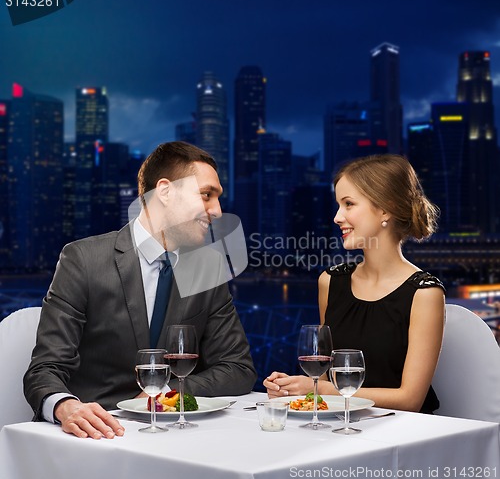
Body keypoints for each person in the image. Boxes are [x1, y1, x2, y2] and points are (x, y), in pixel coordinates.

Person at [24, 141, 257, 439]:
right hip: (96, 434)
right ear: (165, 191)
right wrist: (66, 407)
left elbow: (238, 368)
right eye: (206, 195)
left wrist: (166, 394)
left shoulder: (206, 267)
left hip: (179, 434)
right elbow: (45, 369)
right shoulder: (82, 260)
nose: (218, 211)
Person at [264, 154, 445, 414]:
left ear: (385, 209)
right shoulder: (330, 281)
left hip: (404, 435)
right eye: (338, 205)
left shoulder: (425, 292)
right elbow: (325, 377)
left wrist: (320, 390)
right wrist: (294, 388)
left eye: (349, 204)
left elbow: (410, 400)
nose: (337, 217)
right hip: (338, 426)